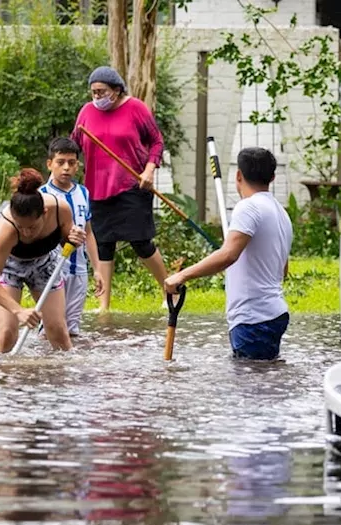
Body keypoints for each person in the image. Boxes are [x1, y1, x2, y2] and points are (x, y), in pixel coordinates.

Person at [163, 147, 293, 361]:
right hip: (274, 314)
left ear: (238, 175)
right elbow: (282, 269)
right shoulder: (281, 212)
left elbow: (228, 255)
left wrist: (181, 275)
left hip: (253, 318)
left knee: (248, 388)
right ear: (272, 177)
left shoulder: (248, 208)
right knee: (265, 381)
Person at [71, 65, 172, 312]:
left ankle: (170, 289)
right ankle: (103, 305)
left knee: (141, 242)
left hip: (132, 184)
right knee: (104, 244)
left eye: (101, 91)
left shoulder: (135, 108)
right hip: (97, 187)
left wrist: (149, 169)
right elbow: (73, 143)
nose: (97, 97)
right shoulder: (86, 112)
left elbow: (156, 140)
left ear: (116, 90)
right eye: (93, 92)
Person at [0, 167, 86, 354]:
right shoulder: (7, 229)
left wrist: (75, 238)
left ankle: (66, 378)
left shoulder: (59, 210)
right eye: (21, 227)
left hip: (45, 265)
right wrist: (18, 311)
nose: (26, 232)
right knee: (7, 334)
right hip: (10, 267)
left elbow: (68, 240)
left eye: (32, 226)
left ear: (44, 212)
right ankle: (1, 378)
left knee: (58, 331)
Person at [40, 137, 100, 338]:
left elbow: (89, 233)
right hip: (52, 268)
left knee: (72, 327)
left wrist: (97, 269)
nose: (66, 168)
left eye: (71, 163)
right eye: (60, 162)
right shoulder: (42, 195)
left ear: (77, 166)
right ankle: (45, 367)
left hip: (79, 269)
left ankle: (68, 367)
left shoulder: (83, 192)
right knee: (50, 325)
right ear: (50, 164)